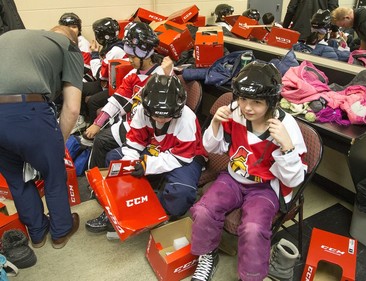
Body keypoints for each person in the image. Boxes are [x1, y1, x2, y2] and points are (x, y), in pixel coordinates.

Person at [189, 61, 307, 281]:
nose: (248, 107)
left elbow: (295, 178)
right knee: (204, 210)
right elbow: (214, 148)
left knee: (253, 228)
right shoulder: (236, 112)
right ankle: (208, 254)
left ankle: (250, 276)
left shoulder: (286, 126)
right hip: (233, 178)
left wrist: (287, 147)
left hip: (265, 188)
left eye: (257, 102)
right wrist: (215, 123)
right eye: (243, 99)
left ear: (272, 101)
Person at [86, 74, 207, 236]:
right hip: (155, 147)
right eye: (156, 115)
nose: (160, 119)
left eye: (166, 116)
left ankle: (157, 213)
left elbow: (182, 157)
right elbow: (135, 141)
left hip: (187, 155)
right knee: (116, 160)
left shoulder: (187, 118)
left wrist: (148, 165)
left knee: (182, 191)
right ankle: (120, 208)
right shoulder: (143, 110)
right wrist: (128, 164)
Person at [0, 25, 83, 250]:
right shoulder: (70, 48)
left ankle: (37, 234)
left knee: (17, 179)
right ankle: (61, 232)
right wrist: (58, 143)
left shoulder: (12, 36)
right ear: (73, 40)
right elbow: (73, 108)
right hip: (28, 110)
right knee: (53, 173)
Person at [84, 21, 172, 169]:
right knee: (100, 138)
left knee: (102, 141)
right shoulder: (133, 75)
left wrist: (168, 74)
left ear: (145, 54)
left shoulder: (162, 75)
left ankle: (100, 179)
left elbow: (169, 103)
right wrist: (97, 123)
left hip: (150, 129)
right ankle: (98, 181)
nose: (129, 60)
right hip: (133, 124)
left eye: (133, 57)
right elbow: (116, 101)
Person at [83, 17, 126, 124]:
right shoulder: (115, 46)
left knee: (93, 102)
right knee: (80, 88)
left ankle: (93, 129)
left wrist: (94, 54)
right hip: (108, 82)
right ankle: (81, 119)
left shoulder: (116, 50)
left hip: (116, 86)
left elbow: (99, 74)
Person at [58, 12, 93, 134]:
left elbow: (85, 67)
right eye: (67, 27)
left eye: (73, 26)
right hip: (71, 73)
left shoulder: (82, 42)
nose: (70, 30)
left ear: (79, 28)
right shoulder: (62, 40)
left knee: (69, 88)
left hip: (85, 76)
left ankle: (79, 118)